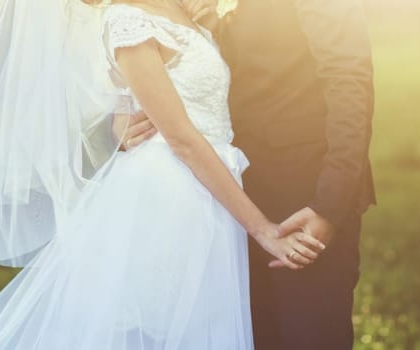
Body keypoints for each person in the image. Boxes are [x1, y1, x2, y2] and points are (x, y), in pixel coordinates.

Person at [0, 0, 325, 348]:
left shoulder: (177, 7)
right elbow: (181, 138)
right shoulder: (126, 19)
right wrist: (262, 229)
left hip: (211, 196)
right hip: (169, 198)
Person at [119, 0, 376, 348]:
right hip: (225, 205)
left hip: (301, 199)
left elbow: (348, 77)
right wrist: (118, 123)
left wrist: (330, 205)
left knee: (311, 334)